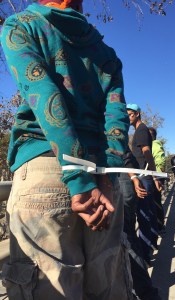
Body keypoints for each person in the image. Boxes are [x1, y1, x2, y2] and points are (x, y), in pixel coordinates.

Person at [1, 0, 133, 299]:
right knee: (108, 287)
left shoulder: (21, 25)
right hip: (103, 180)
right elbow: (116, 116)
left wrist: (78, 177)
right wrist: (106, 180)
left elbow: (43, 93)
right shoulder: (106, 54)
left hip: (47, 167)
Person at [119, 148, 161, 300]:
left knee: (127, 238)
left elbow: (121, 149)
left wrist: (135, 178)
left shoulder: (138, 131)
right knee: (129, 236)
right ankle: (146, 292)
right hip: (128, 178)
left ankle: (144, 293)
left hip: (122, 177)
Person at [126, 104, 161, 265]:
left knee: (144, 215)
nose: (128, 117)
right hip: (144, 175)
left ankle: (145, 255)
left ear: (137, 114)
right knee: (148, 212)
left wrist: (153, 177)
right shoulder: (141, 130)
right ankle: (151, 244)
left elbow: (147, 153)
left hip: (143, 175)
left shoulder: (141, 130)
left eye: (131, 114)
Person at [149, 127, 166, 232]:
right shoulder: (153, 144)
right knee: (155, 201)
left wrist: (158, 176)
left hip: (156, 176)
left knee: (156, 201)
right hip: (155, 175)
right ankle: (158, 225)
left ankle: (159, 226)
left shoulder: (154, 144)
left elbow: (160, 161)